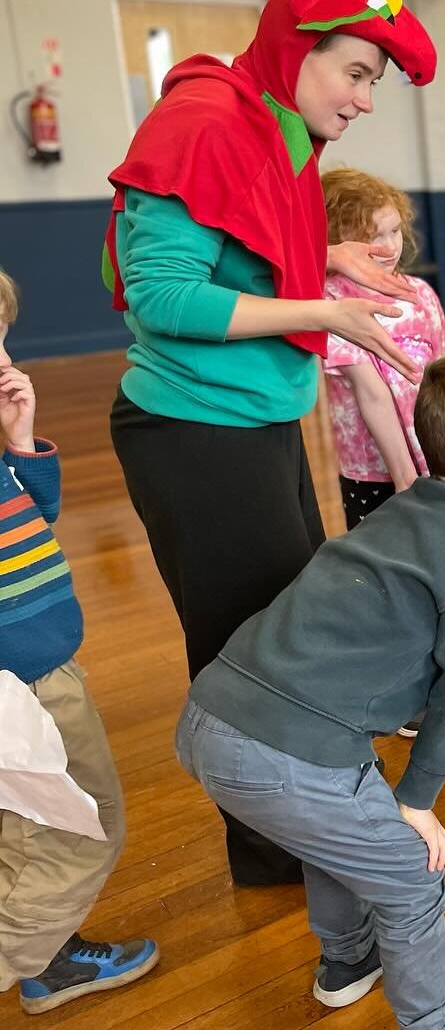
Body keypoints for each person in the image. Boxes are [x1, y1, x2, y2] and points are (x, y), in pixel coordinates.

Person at [103, 0, 436, 887]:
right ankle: (272, 847)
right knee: (249, 652)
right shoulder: (204, 120)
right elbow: (163, 293)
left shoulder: (271, 122)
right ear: (298, 51)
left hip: (255, 421)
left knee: (286, 631)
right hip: (194, 433)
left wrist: (324, 258)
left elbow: (233, 236)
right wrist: (321, 313)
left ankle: (290, 829)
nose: (367, 99)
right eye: (357, 73)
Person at [176, 355, 445, 1030]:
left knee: (337, 833)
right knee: (413, 881)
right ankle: (441, 1023)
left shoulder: (410, 503)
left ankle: (349, 961)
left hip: (210, 712)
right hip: (285, 752)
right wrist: (420, 800)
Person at [0, 270, 159, 1015]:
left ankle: (50, 960)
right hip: (23, 684)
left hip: (34, 670)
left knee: (25, 835)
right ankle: (21, 954)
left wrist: (20, 444)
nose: (4, 360)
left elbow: (35, 521)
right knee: (82, 826)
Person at [321, 166, 445, 529]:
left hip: (437, 455)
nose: (390, 246)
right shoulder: (329, 300)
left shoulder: (420, 292)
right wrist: (405, 478)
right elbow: (372, 393)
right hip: (375, 470)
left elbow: (442, 374)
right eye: (373, 237)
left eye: (394, 230)